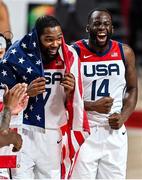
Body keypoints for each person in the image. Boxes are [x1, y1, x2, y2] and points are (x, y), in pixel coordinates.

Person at [0, 15, 87, 179]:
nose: (55, 44)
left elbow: (75, 102)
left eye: (59, 38)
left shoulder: (69, 56)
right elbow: (5, 102)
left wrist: (71, 92)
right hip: (23, 131)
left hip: (53, 132)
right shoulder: (16, 55)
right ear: (36, 38)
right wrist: (27, 92)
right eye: (49, 39)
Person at [71, 8, 138, 179]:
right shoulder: (74, 52)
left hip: (114, 132)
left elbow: (132, 88)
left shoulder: (125, 52)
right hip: (84, 131)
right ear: (88, 28)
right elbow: (62, 96)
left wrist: (123, 116)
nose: (102, 27)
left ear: (112, 29)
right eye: (97, 24)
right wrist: (92, 106)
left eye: (106, 24)